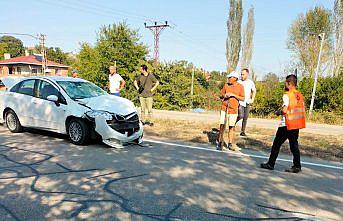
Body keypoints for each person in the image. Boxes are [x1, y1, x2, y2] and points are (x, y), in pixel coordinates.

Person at [261, 74, 306, 173]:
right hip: (296, 124)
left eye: (285, 83)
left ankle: (270, 164)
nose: (285, 85)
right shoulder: (299, 95)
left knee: (276, 144)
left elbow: (285, 110)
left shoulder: (287, 95)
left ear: (289, 83)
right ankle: (297, 166)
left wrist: (278, 112)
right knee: (294, 145)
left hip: (286, 124)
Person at [216, 71, 245, 151]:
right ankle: (220, 142)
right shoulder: (226, 85)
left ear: (235, 78)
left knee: (231, 127)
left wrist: (233, 95)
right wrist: (224, 96)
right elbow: (221, 94)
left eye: (230, 77)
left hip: (233, 110)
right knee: (222, 126)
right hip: (224, 108)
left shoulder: (240, 87)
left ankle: (230, 143)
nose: (228, 79)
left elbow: (243, 98)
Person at [236, 68, 256, 136]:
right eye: (241, 74)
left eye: (243, 74)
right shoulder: (238, 82)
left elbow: (254, 91)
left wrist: (252, 99)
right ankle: (232, 125)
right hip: (240, 101)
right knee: (241, 115)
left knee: (245, 117)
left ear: (247, 74)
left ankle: (243, 131)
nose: (242, 76)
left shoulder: (250, 82)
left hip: (247, 102)